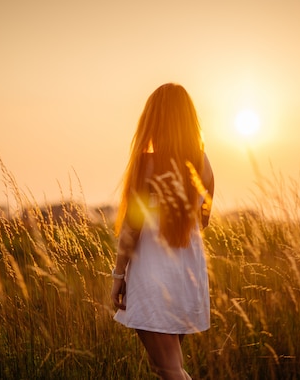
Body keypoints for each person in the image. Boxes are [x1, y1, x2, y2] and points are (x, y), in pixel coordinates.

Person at [111, 83, 214, 379]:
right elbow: (201, 222)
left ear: (152, 119)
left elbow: (131, 229)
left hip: (153, 279)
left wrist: (118, 276)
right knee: (164, 367)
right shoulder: (202, 163)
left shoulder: (146, 165)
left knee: (169, 369)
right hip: (187, 278)